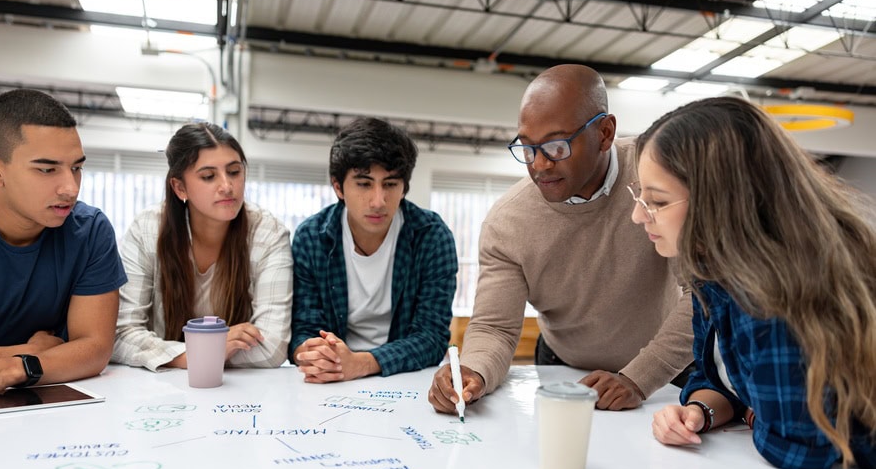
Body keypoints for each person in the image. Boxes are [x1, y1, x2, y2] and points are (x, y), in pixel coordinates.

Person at [429, 64, 693, 414]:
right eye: (526, 148)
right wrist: (472, 371)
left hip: (664, 373)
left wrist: (639, 378)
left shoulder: (659, 175)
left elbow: (700, 297)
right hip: (563, 369)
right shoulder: (508, 222)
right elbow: (495, 326)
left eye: (556, 146)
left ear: (604, 132)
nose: (538, 165)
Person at [637, 97, 876, 469]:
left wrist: (746, 412)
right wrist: (702, 410)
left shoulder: (774, 295)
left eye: (657, 202)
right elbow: (716, 373)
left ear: (717, 202)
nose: (639, 216)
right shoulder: (714, 278)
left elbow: (798, 449)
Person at [0, 89, 127, 405]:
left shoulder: (90, 230)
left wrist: (10, 370)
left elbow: (94, 349)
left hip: (42, 394)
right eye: (47, 169)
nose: (70, 188)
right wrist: (25, 354)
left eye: (76, 167)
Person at [289, 117, 458, 383]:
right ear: (338, 187)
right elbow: (303, 329)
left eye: (390, 184)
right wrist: (314, 354)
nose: (378, 201)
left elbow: (432, 337)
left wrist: (361, 363)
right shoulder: (312, 237)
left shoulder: (431, 236)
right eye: (364, 183)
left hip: (403, 378)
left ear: (404, 187)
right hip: (331, 377)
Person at [113, 123, 293, 371]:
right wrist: (206, 351)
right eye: (209, 176)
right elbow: (121, 334)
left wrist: (175, 355)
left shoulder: (268, 233)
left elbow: (272, 348)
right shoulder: (146, 229)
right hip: (162, 389)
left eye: (234, 172)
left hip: (239, 392)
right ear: (180, 187)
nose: (227, 186)